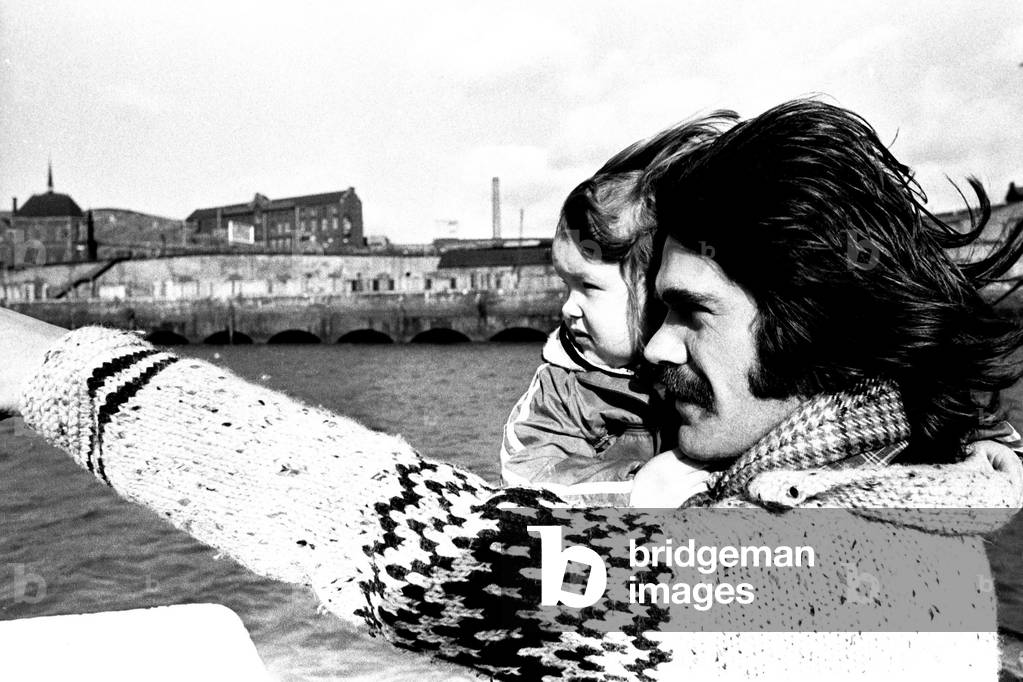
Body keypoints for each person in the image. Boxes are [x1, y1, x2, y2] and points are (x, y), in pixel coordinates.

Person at [3, 98, 1023, 679]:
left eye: (692, 314)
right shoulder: (907, 527)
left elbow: (384, 528)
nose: (655, 352)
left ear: (819, 322)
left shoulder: (819, 587)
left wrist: (42, 367)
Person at [501, 113, 736, 506]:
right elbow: (524, 468)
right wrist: (635, 489)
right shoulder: (564, 385)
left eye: (588, 287)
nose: (567, 308)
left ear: (658, 290)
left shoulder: (705, 365)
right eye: (566, 285)